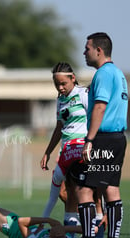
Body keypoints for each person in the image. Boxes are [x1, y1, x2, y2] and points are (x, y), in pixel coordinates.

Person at [62, 32, 128, 238]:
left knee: (83, 190)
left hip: (102, 138)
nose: (84, 51)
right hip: (118, 138)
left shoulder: (103, 74)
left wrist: (89, 141)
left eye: (87, 47)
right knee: (111, 189)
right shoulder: (119, 73)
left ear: (99, 50)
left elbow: (99, 107)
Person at [40, 62, 88, 228]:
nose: (60, 88)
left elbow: (96, 119)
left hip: (81, 150)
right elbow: (59, 127)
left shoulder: (83, 94)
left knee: (77, 192)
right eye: (56, 84)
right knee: (65, 193)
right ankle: (79, 226)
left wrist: (91, 144)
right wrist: (48, 152)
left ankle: (89, 230)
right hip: (66, 151)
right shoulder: (60, 100)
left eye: (63, 83)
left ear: (73, 78)